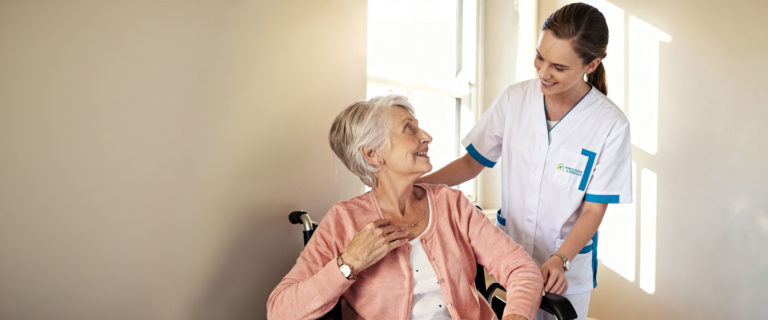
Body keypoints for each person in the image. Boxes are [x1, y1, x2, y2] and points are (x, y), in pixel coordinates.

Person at [419, 3, 632, 320]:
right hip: (510, 260)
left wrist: (562, 258)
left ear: (592, 64)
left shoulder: (610, 124)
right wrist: (416, 186)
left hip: (566, 273)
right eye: (540, 57)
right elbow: (471, 163)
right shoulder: (515, 98)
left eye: (559, 67)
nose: (544, 73)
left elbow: (593, 208)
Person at [267, 95, 543, 320]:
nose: (426, 137)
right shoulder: (344, 220)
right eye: (409, 128)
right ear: (373, 154)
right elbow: (280, 311)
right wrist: (349, 262)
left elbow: (521, 269)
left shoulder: (452, 205)